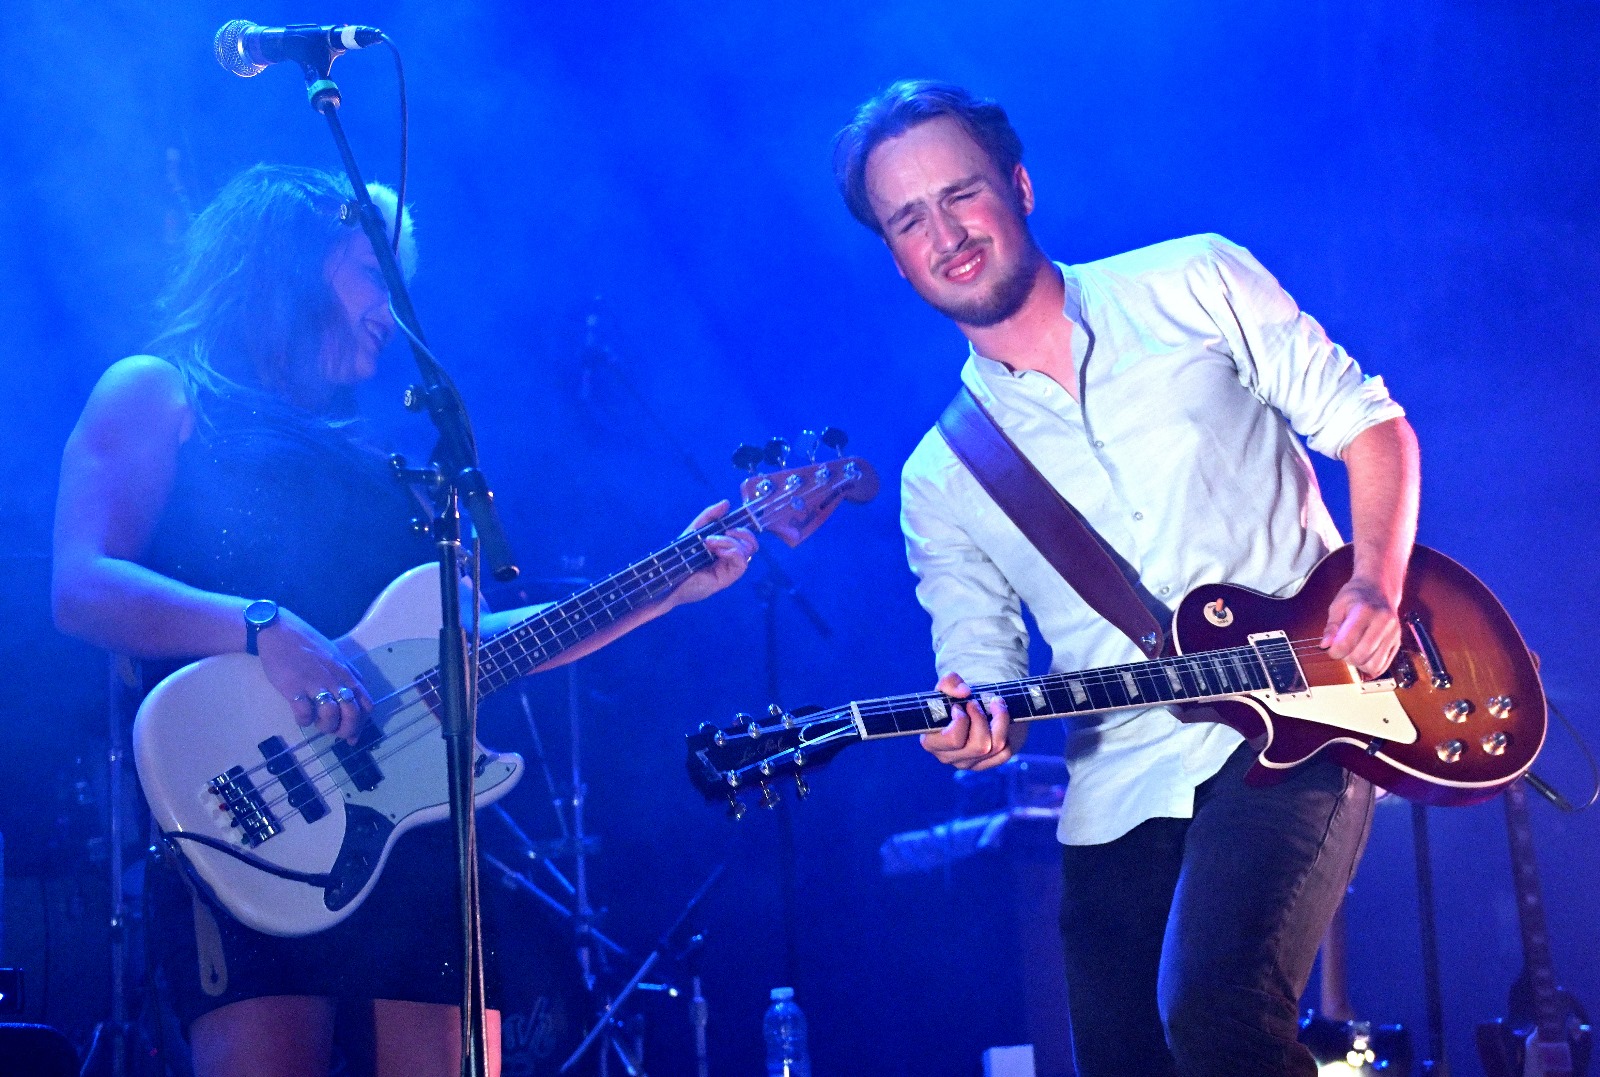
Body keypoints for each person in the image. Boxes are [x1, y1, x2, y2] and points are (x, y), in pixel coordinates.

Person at [51, 164, 757, 1077]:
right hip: (246, 816)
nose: (394, 313)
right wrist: (264, 627)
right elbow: (82, 585)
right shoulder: (162, 390)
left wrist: (670, 582)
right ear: (297, 259)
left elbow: (474, 650)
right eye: (374, 276)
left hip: (415, 834)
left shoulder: (390, 463)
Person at [833, 82, 1420, 1076]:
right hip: (1117, 790)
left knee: (1217, 1009)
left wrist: (1374, 581)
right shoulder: (939, 477)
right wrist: (969, 728)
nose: (947, 234)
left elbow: (1372, 426)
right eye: (910, 219)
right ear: (894, 254)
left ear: (1019, 186)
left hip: (1310, 712)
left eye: (962, 194)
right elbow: (980, 670)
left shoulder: (1191, 280)